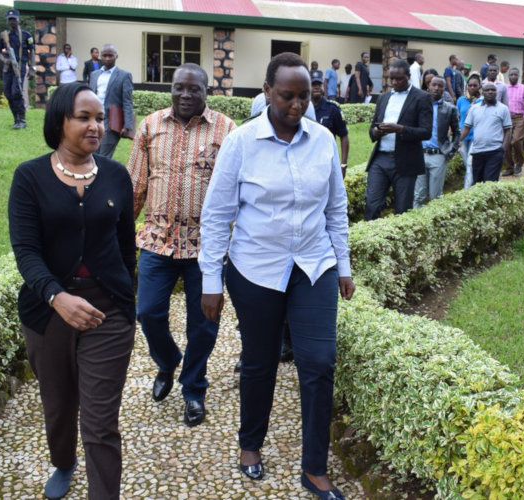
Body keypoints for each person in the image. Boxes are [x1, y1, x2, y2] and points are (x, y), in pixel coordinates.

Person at [198, 52, 355, 500]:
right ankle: (251, 444)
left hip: (313, 265)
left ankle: (314, 468)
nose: (296, 104)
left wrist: (342, 265)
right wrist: (211, 280)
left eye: (304, 95)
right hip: (255, 269)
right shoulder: (242, 142)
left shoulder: (323, 140)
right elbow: (217, 215)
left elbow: (336, 207)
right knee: (259, 361)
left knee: (320, 363)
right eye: (287, 95)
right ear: (267, 92)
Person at [7, 82, 136, 500]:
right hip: (48, 312)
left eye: (100, 118)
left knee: (100, 421)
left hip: (107, 313)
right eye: (84, 117)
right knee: (59, 406)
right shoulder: (29, 177)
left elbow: (124, 248)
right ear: (58, 121)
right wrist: (56, 297)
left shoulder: (117, 176)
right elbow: (25, 251)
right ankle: (63, 461)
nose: (96, 126)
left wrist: (126, 301)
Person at [127, 63, 235, 426]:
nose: (186, 95)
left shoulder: (226, 130)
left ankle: (193, 389)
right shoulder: (150, 125)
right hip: (157, 239)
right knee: (147, 312)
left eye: (194, 90)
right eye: (179, 88)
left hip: (206, 245)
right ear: (169, 89)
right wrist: (117, 232)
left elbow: (239, 188)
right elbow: (135, 185)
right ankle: (168, 361)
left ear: (207, 91)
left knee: (204, 323)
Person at [364, 59, 432, 220]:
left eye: (399, 78)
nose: (394, 82)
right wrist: (376, 131)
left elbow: (426, 132)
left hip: (405, 160)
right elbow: (372, 128)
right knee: (371, 204)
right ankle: (371, 241)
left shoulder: (421, 97)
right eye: (391, 78)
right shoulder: (383, 98)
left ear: (408, 76)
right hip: (380, 159)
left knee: (402, 210)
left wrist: (399, 129)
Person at [413, 75, 459, 208]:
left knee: (435, 197)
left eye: (440, 86)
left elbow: (457, 132)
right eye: (434, 85)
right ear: (428, 86)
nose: (437, 88)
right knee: (418, 196)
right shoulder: (419, 106)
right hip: (419, 155)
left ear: (444, 89)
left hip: (438, 155)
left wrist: (451, 151)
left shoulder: (450, 108)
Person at [460, 81, 511, 185]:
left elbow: (508, 130)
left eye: (493, 90)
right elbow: (466, 128)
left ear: (496, 92)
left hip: (495, 152)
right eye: (487, 90)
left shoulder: (503, 109)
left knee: (490, 184)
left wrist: (503, 149)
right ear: (482, 92)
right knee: (477, 184)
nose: (490, 92)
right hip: (477, 152)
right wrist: (457, 141)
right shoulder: (474, 109)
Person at [89, 44, 134, 158]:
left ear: (116, 56)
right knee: (92, 154)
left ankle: (102, 175)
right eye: (104, 55)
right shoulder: (94, 75)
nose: (107, 58)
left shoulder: (124, 76)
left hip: (112, 122)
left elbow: (127, 101)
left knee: (104, 157)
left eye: (110, 55)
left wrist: (127, 125)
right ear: (101, 56)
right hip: (94, 120)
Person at [0, 9, 33, 129]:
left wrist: (32, 67)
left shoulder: (26, 35)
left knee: (16, 92)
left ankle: (22, 119)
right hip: (8, 68)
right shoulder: (4, 36)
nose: (12, 21)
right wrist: (5, 59)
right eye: (10, 19)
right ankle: (16, 119)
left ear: (18, 20)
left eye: (14, 19)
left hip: (20, 66)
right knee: (8, 93)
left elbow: (31, 51)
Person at [311, 73, 350, 176]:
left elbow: (344, 135)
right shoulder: (301, 109)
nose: (316, 87)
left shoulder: (332, 109)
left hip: (327, 161)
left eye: (319, 84)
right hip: (306, 161)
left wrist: (343, 164)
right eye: (313, 84)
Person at [502, 68, 524, 176]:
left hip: (519, 118)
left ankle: (520, 162)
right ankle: (509, 167)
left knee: (516, 141)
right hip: (507, 118)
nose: (513, 76)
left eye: (515, 74)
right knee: (507, 143)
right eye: (511, 74)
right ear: (508, 76)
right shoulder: (504, 88)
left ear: (518, 76)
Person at [457, 73, 482, 189]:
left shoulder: (482, 101)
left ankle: (466, 190)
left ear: (479, 87)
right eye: (470, 85)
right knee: (467, 164)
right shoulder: (461, 100)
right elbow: (457, 117)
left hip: (475, 136)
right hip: (462, 136)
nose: (472, 88)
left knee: (470, 163)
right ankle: (475, 182)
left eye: (475, 86)